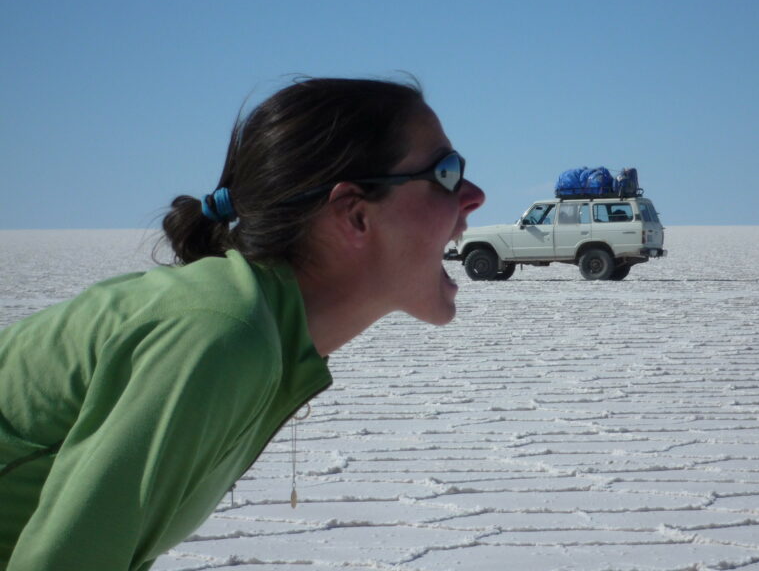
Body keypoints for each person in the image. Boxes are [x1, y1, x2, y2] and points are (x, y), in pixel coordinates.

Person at [0, 77, 485, 571]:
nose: (475, 195)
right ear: (355, 215)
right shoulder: (220, 332)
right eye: (446, 173)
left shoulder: (259, 327)